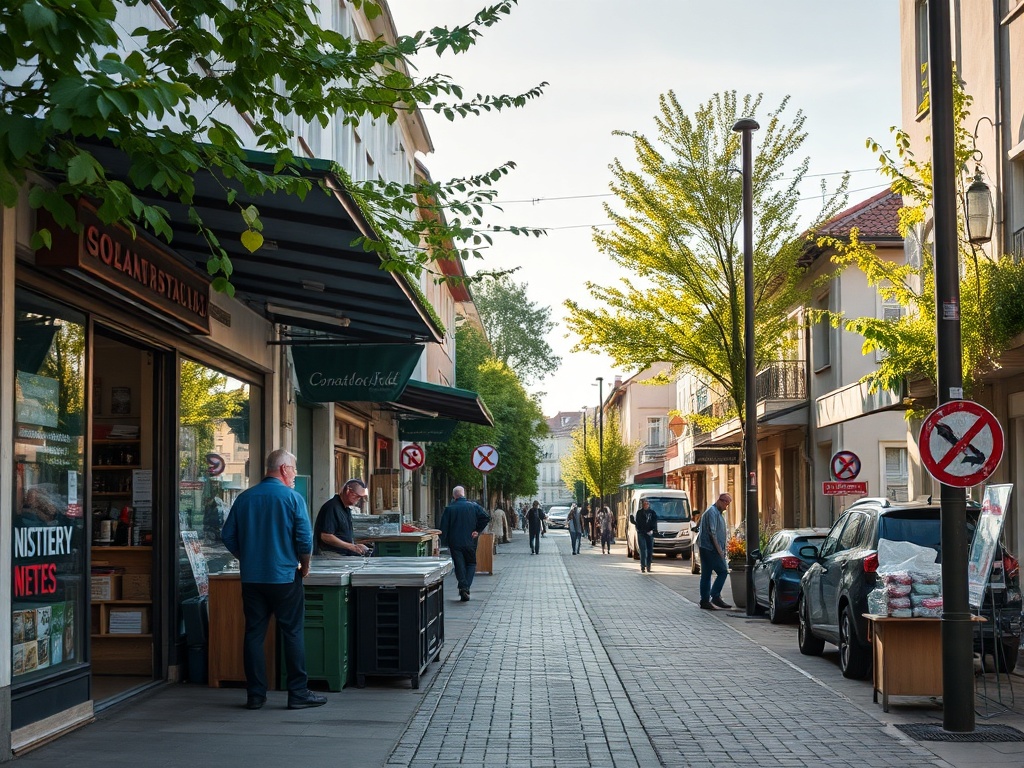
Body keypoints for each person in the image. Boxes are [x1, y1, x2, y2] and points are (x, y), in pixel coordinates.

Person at [220, 448, 326, 710]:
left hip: (253, 579)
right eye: (294, 469)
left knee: (254, 634)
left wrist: (247, 557)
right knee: (292, 632)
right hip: (284, 576)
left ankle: (255, 695)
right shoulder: (292, 498)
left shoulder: (244, 498)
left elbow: (227, 535)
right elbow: (305, 539)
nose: (295, 474)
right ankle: (298, 692)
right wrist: (305, 566)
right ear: (283, 469)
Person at [439, 486, 490, 601]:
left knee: (459, 565)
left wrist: (443, 542)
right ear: (464, 494)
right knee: (471, 564)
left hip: (455, 542)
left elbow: (443, 528)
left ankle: (463, 586)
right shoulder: (474, 506)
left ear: (454, 496)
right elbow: (486, 517)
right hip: (470, 541)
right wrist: (477, 530)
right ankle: (465, 588)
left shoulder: (449, 509)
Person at [313, 478, 371, 557]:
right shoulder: (332, 507)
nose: (358, 499)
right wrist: (350, 546)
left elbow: (342, 535)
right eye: (356, 496)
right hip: (329, 555)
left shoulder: (345, 509)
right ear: (348, 491)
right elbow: (326, 536)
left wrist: (355, 546)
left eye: (360, 497)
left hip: (341, 554)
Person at [697, 493, 733, 610]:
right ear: (721, 501)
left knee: (706, 574)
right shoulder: (712, 512)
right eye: (726, 504)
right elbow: (712, 533)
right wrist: (719, 550)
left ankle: (705, 600)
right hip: (710, 549)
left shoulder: (717, 513)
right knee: (723, 571)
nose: (726, 507)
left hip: (709, 548)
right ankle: (714, 596)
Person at [631, 497, 659, 573]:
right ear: (642, 505)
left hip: (649, 533)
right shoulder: (639, 512)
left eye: (647, 503)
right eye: (644, 503)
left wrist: (653, 530)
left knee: (649, 550)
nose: (645, 505)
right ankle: (643, 566)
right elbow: (637, 523)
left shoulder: (652, 513)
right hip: (641, 533)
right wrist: (636, 526)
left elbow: (655, 522)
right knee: (643, 550)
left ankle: (648, 565)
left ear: (649, 504)